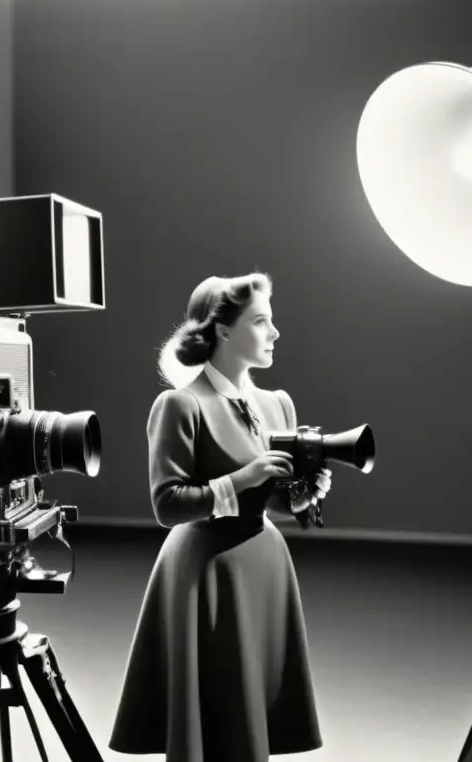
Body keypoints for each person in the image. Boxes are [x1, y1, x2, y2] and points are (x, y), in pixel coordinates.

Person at [109, 272, 332, 762]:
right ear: (224, 330)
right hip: (204, 572)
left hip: (263, 567)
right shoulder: (179, 404)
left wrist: (298, 498)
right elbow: (167, 505)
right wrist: (242, 479)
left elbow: (269, 501)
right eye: (262, 321)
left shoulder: (277, 404)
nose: (275, 333)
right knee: (211, 711)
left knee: (251, 706)